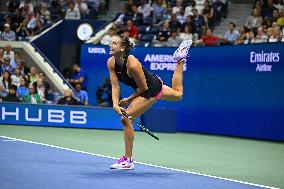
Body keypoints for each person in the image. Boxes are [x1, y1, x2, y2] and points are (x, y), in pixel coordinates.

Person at [107, 35, 192, 169]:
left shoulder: (132, 64)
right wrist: (115, 104)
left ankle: (128, 160)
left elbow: (143, 88)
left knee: (125, 119)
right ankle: (180, 59)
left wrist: (128, 100)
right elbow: (115, 85)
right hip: (151, 81)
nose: (110, 45)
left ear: (123, 48)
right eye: (111, 43)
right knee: (178, 94)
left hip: (150, 89)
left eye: (114, 43)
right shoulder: (111, 62)